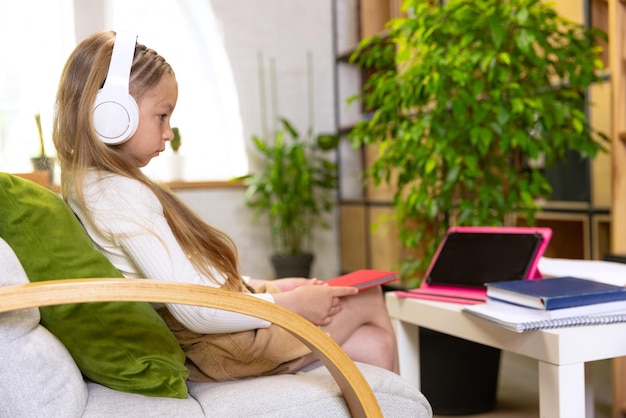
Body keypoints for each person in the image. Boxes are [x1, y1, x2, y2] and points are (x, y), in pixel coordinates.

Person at [53, 30, 399, 381]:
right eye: (162, 115)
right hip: (221, 344)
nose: (169, 132)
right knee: (368, 298)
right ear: (112, 116)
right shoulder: (118, 195)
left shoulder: (90, 183)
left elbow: (178, 274)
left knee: (372, 345)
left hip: (222, 328)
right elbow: (194, 310)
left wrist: (265, 285)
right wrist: (289, 305)